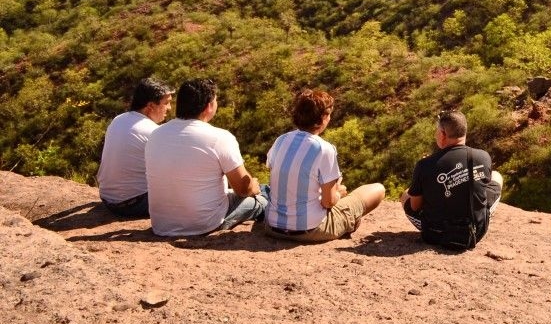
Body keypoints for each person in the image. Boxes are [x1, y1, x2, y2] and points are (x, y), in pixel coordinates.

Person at [144, 78, 268, 236]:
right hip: (203, 224)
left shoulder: (156, 135)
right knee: (262, 197)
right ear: (208, 106)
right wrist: (254, 186)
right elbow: (244, 188)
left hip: (162, 224)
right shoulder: (219, 137)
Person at [263, 88, 385, 243]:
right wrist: (338, 193)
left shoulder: (281, 140)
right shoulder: (323, 148)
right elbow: (328, 202)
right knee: (378, 189)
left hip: (272, 226)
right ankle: (347, 223)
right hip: (309, 230)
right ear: (323, 117)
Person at [403, 110, 503, 249]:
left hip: (436, 234)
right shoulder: (483, 156)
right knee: (496, 176)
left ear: (443, 134)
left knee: (407, 194)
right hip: (474, 232)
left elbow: (415, 206)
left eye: (437, 131)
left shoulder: (424, 165)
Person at [97, 77, 173, 218]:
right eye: (166, 103)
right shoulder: (151, 131)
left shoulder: (118, 119)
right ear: (150, 106)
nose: (169, 108)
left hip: (107, 199)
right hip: (135, 205)